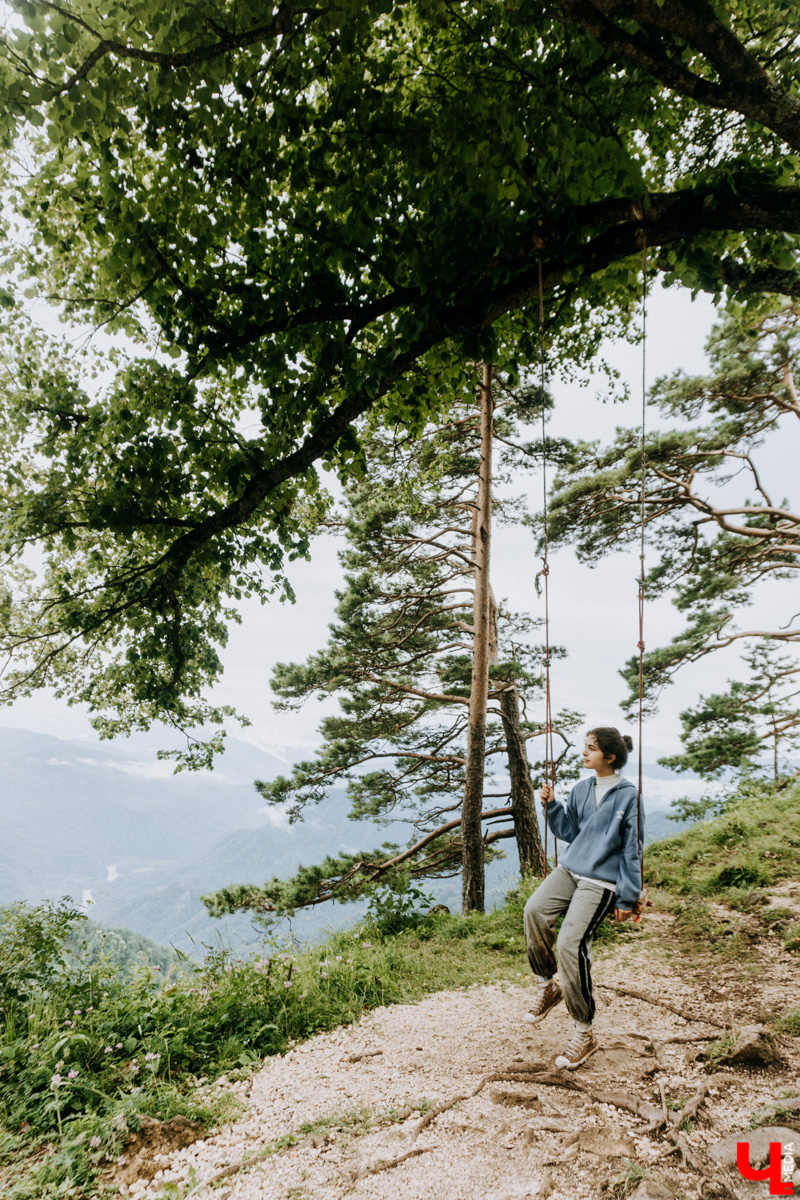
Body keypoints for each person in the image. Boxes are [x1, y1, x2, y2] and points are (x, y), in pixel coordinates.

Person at [522, 727, 644, 1070]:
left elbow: (633, 849)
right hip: (571, 869)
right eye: (585, 747)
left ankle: (584, 1030)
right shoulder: (581, 789)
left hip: (602, 881)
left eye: (592, 748)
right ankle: (547, 985)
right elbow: (570, 832)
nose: (584, 752)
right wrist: (552, 806)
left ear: (610, 757)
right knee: (534, 911)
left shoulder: (628, 796)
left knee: (569, 944)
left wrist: (627, 898)